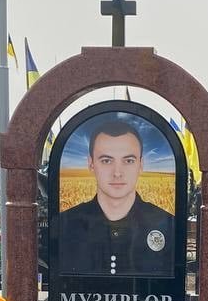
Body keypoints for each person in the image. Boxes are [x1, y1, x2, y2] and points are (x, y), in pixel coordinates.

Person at [58, 118, 173, 276]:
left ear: (141, 165)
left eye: (128, 160)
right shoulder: (65, 226)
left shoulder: (168, 225)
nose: (117, 173)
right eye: (106, 160)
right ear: (91, 164)